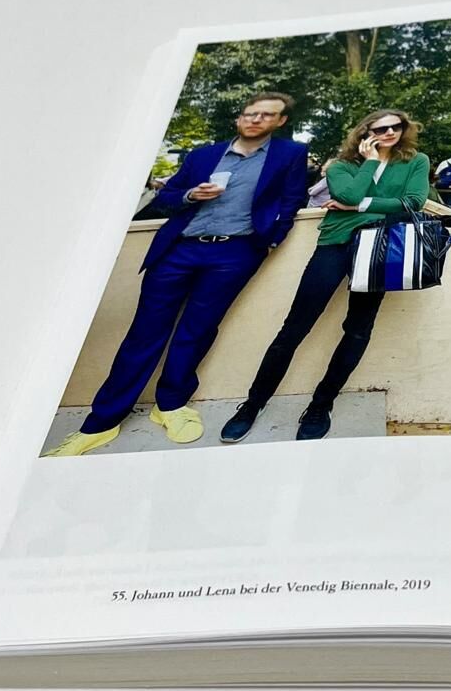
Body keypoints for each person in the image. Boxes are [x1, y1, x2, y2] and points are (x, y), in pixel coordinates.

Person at [48, 93, 309, 455]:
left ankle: (170, 404)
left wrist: (272, 239)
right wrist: (189, 195)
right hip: (178, 250)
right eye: (250, 113)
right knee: (145, 333)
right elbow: (166, 197)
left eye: (266, 115)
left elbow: (292, 199)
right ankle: (102, 422)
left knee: (197, 331)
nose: (255, 119)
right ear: (239, 117)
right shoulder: (203, 155)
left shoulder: (289, 154)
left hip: (235, 253)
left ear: (280, 122)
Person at [220, 108, 431, 443]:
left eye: (396, 126)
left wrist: (358, 207)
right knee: (294, 327)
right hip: (335, 244)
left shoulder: (416, 161)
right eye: (381, 129)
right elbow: (348, 194)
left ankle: (321, 405)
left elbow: (413, 202)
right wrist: (371, 165)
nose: (390, 132)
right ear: (365, 133)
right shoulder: (342, 166)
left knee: (358, 331)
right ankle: (252, 404)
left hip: (379, 248)